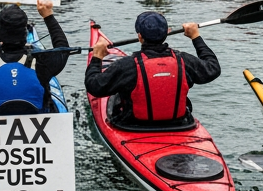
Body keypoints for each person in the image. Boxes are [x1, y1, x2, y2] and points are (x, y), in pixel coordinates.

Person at [84, 11, 220, 125]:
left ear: (139, 36)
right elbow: (213, 68)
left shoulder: (127, 65)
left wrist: (97, 57)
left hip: (134, 126)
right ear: (167, 32)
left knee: (115, 96)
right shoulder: (183, 60)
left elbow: (94, 86)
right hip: (179, 124)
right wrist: (195, 37)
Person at [0, 2, 69, 115]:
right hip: (40, 125)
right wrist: (48, 15)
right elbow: (63, 49)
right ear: (24, 35)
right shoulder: (41, 60)